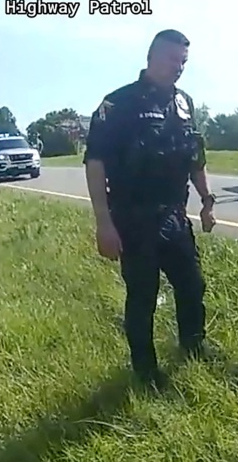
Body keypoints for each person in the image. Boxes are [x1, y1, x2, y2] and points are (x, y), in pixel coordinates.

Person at [83, 29, 216, 388]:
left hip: (174, 215)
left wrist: (206, 200)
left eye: (184, 62)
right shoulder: (118, 104)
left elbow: (195, 157)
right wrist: (103, 223)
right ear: (151, 57)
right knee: (142, 297)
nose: (179, 68)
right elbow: (95, 163)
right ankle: (145, 371)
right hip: (133, 216)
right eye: (173, 59)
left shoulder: (184, 103)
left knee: (192, 285)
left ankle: (193, 344)